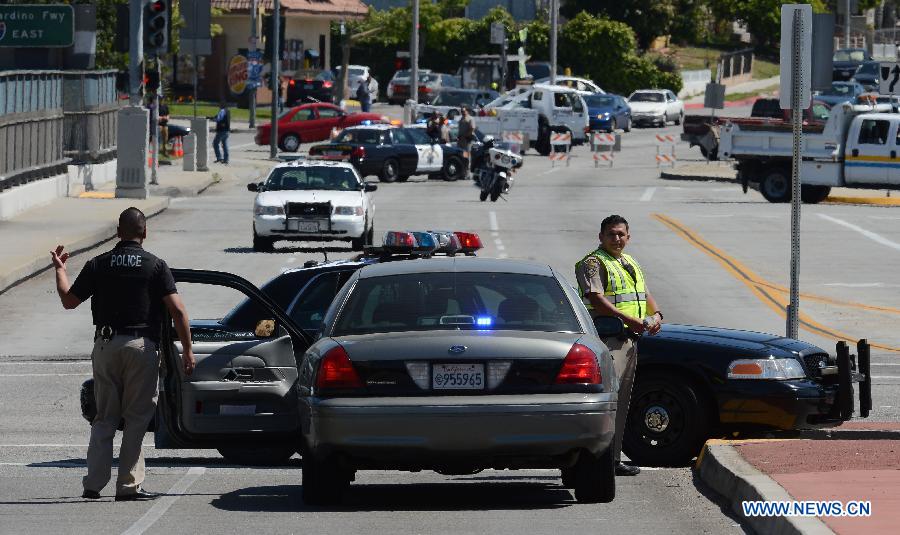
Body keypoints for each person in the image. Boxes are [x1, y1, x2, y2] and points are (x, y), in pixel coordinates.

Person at [51, 207, 195, 501]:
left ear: (118, 232)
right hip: (141, 347)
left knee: (104, 417)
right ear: (145, 232)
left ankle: (93, 484)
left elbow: (69, 301)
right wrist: (188, 350)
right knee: (137, 417)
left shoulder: (98, 264)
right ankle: (128, 486)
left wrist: (60, 270)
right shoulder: (155, 266)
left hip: (105, 345)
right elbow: (177, 311)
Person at [574, 214, 663, 477]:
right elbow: (597, 299)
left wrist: (657, 316)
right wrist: (629, 320)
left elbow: (644, 294)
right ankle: (594, 460)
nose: (616, 239)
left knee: (621, 402)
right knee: (606, 403)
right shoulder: (592, 262)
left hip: (629, 340)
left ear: (628, 237)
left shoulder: (629, 261)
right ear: (600, 237)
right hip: (608, 342)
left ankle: (612, 460)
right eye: (611, 234)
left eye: (621, 234)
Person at [457, 107, 476, 177]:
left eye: (464, 111)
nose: (462, 112)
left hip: (466, 141)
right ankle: (461, 172)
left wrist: (465, 136)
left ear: (467, 111)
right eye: (461, 111)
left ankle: (467, 174)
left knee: (466, 157)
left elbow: (472, 129)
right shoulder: (461, 119)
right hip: (460, 141)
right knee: (460, 156)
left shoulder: (470, 119)